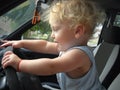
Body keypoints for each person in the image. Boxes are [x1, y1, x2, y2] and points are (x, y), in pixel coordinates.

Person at [1, 0, 105, 90]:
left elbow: (51, 66)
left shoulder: (79, 55)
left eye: (55, 29)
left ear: (77, 31)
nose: (52, 35)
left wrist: (19, 64)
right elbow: (44, 45)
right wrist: (21, 43)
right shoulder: (67, 48)